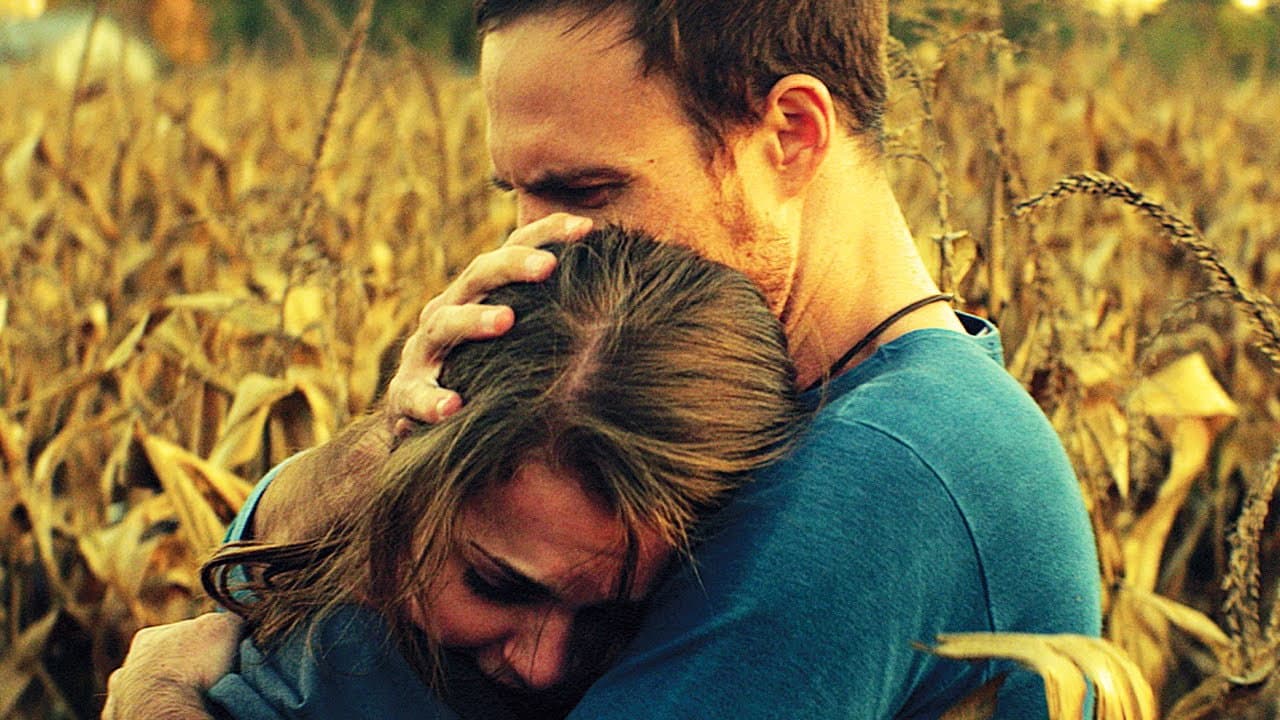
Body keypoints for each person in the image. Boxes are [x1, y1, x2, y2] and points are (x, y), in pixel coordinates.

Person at [105, 1, 1103, 718]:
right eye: (517, 193)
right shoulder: (723, 397)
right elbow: (249, 575)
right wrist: (394, 453)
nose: (533, 247)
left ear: (788, 137)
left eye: (584, 187)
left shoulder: (885, 472)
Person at [196, 228, 807, 719]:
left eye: (615, 618)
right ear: (409, 487)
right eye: (496, 585)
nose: (543, 667)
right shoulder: (329, 663)